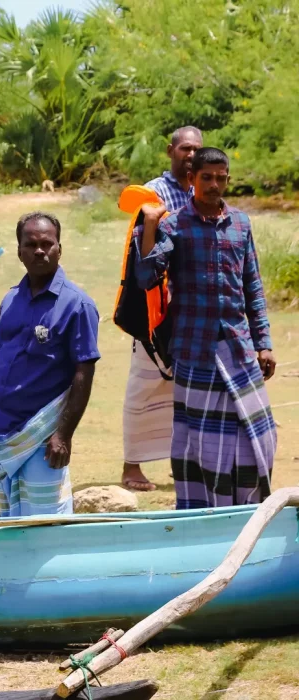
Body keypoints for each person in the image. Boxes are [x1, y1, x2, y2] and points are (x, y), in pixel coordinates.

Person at [136, 147, 277, 509]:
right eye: (206, 178)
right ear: (191, 181)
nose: (214, 185)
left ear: (228, 178)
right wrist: (150, 226)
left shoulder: (242, 224)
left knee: (257, 434)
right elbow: (146, 277)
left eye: (220, 177)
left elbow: (253, 288)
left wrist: (264, 343)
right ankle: (201, 512)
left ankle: (247, 508)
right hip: (194, 352)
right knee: (198, 442)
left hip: (238, 349)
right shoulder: (174, 225)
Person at [0, 212, 100, 516]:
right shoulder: (11, 299)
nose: (40, 250)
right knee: (10, 521)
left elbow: (85, 372)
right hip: (2, 431)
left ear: (59, 249)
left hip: (43, 438)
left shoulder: (77, 304)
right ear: (19, 252)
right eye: (31, 244)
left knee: (46, 523)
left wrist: (63, 435)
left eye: (47, 243)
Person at [121, 126, 203, 492]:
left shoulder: (200, 189)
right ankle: (131, 466)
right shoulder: (153, 192)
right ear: (170, 150)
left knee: (186, 389)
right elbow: (141, 248)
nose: (190, 154)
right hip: (156, 304)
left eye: (196, 149)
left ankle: (182, 462)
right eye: (185, 148)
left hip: (192, 302)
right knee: (143, 383)